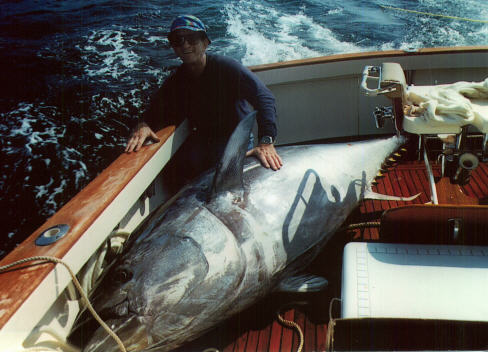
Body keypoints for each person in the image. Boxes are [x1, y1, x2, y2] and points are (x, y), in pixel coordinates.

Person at [125, 15, 282, 188]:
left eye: (191, 38)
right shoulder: (177, 80)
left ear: (205, 43)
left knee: (227, 189)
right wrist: (143, 124)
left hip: (235, 139)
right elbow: (154, 109)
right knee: (176, 178)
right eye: (178, 40)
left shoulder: (226, 68)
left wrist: (266, 140)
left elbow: (264, 97)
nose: (185, 45)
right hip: (204, 141)